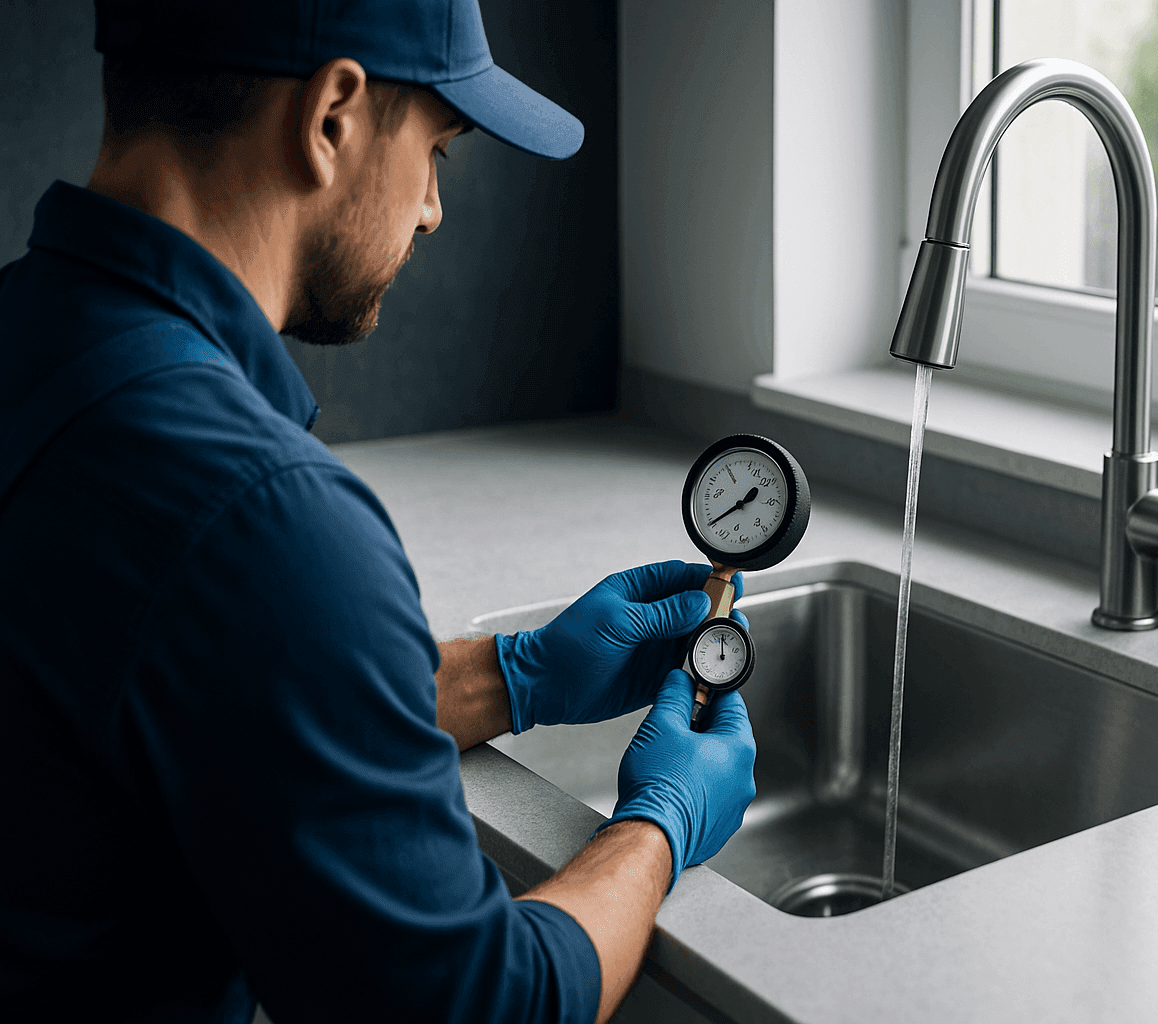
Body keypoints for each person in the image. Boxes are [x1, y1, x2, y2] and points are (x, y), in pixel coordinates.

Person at [0, 2, 758, 1022]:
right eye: (436, 149)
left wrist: (511, 675)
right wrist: (657, 826)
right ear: (332, 119)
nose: (434, 208)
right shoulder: (260, 517)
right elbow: (483, 1006)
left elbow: (205, 700)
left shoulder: (34, 344)